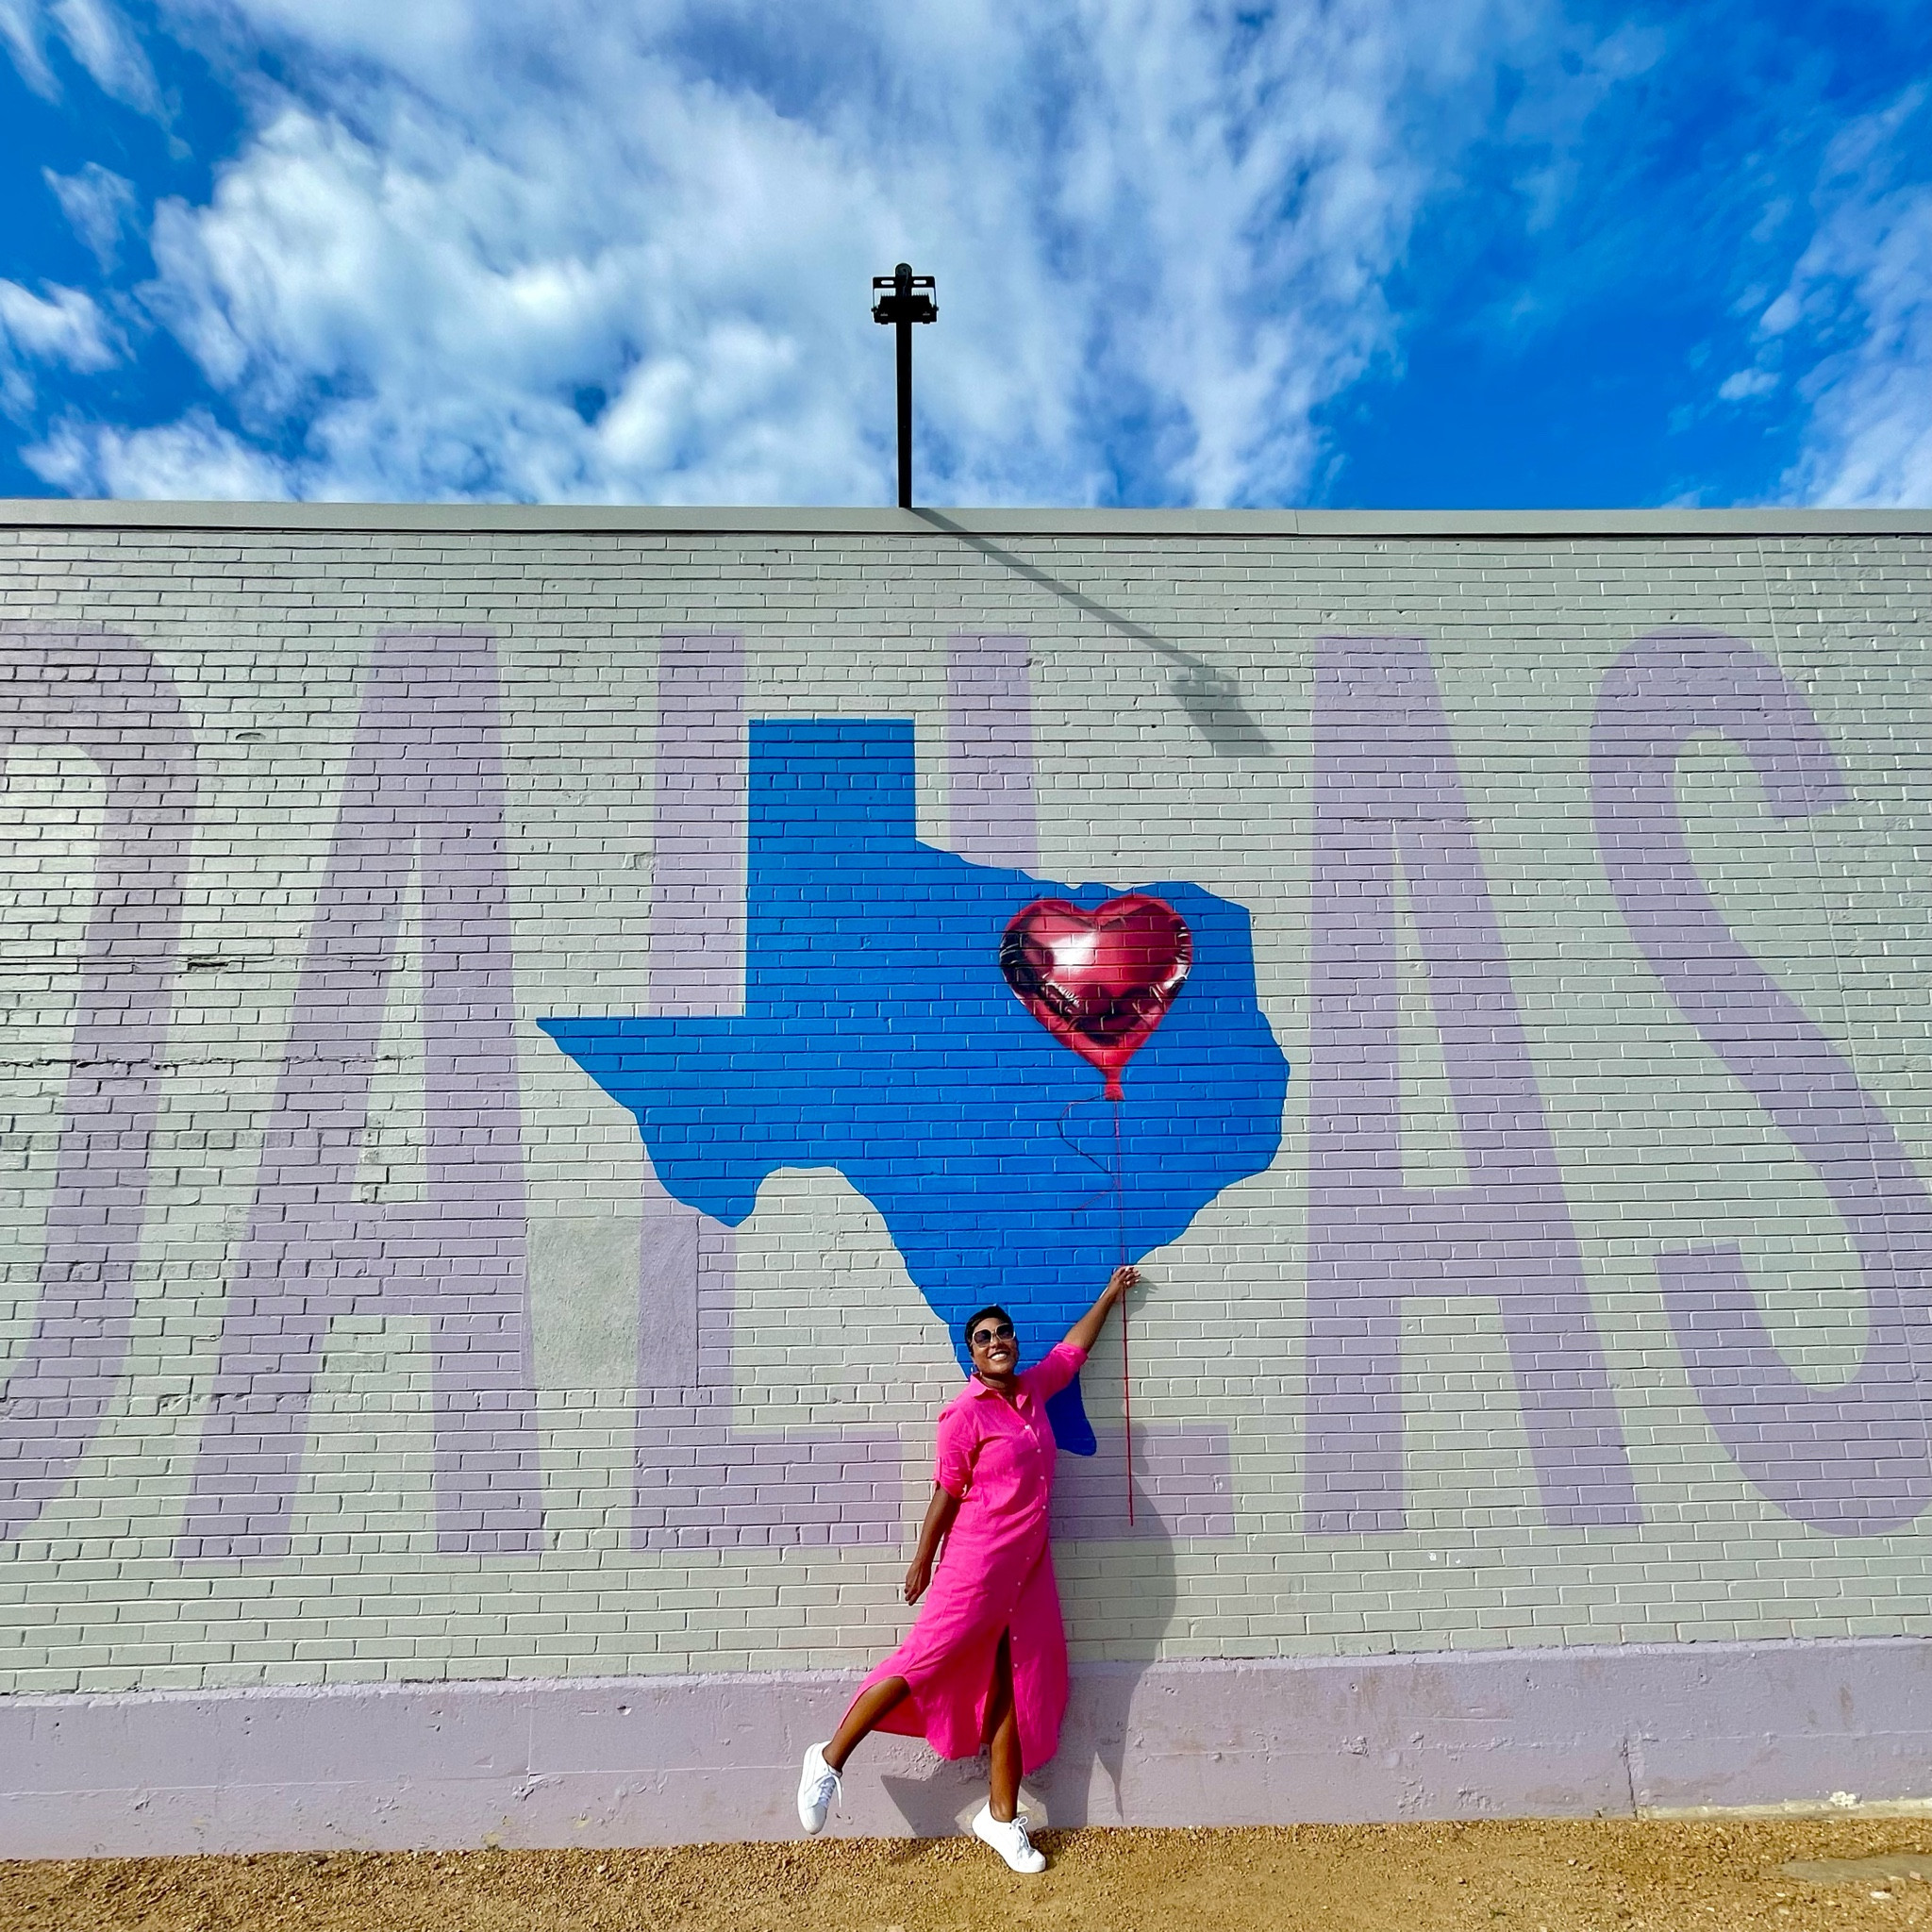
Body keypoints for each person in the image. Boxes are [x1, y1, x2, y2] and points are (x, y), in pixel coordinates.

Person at [793, 1263, 1141, 1874]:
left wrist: (1111, 1295)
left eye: (1003, 1332)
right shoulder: (964, 1416)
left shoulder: (1034, 1391)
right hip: (977, 1564)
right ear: (971, 1355)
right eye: (984, 1337)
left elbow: (1073, 1350)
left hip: (1029, 1569)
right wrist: (923, 1560)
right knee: (922, 1663)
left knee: (1014, 1684)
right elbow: (945, 1492)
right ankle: (828, 1758)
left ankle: (1001, 1819)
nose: (997, 1341)